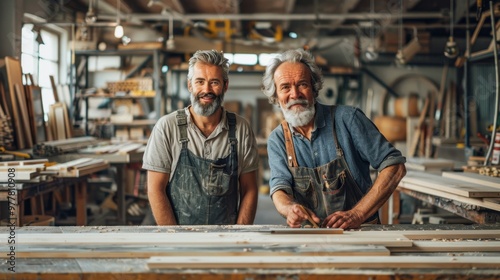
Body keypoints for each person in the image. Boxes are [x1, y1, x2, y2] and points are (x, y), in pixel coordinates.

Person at [261, 49, 406, 229]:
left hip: (360, 234)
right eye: (285, 87)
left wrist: (358, 213)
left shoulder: (348, 120)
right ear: (276, 96)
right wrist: (289, 208)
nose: (295, 94)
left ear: (314, 89)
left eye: (302, 84)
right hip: (309, 239)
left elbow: (394, 165)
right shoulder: (278, 139)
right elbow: (279, 188)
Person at [143, 50, 259, 225]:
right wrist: (174, 238)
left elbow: (249, 189)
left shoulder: (241, 129)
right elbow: (155, 189)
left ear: (225, 86)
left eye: (214, 82)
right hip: (179, 239)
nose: (207, 90)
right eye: (200, 82)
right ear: (190, 85)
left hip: (226, 239)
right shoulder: (166, 127)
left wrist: (239, 234)